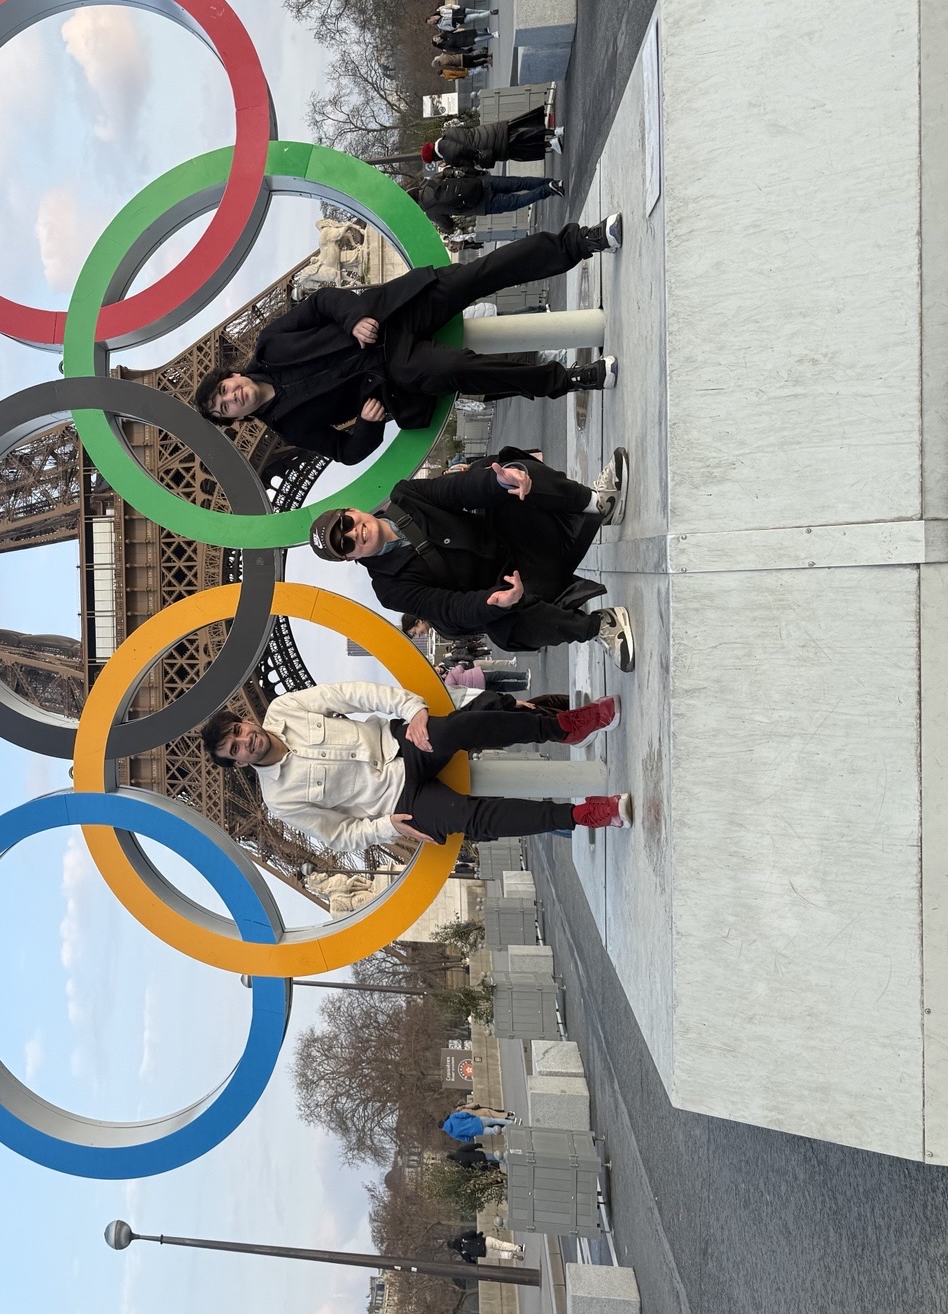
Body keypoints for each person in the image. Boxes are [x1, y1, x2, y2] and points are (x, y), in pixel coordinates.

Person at [192, 218, 623, 461]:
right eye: (226, 407)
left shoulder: (269, 343)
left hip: (389, 314)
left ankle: (581, 242)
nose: (233, 397)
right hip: (394, 371)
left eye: (226, 390)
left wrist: (355, 318)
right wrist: (365, 424)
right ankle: (569, 380)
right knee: (461, 371)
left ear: (231, 376)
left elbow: (322, 302)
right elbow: (346, 451)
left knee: (480, 274)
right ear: (236, 420)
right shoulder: (290, 427)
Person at [200, 680, 631, 853]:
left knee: (454, 730)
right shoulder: (279, 801)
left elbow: (356, 695)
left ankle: (565, 727)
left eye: (239, 730)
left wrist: (412, 708)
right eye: (235, 749)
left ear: (245, 720)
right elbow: (337, 837)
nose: (245, 741)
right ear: (236, 765)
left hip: (402, 743)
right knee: (467, 819)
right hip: (399, 801)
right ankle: (585, 814)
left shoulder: (286, 707)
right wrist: (387, 826)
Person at [307, 451, 636, 668]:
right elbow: (449, 608)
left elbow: (458, 489)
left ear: (351, 510)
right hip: (518, 591)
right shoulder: (389, 589)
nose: (353, 534)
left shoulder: (406, 496)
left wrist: (498, 481)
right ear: (350, 558)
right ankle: (598, 627)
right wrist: (495, 601)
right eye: (345, 545)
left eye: (345, 524)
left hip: (522, 540)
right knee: (500, 623)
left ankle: (597, 503)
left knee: (503, 469)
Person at [408, 167, 561, 232]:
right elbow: (456, 171)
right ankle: (550, 182)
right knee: (519, 182)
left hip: (481, 205)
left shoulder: (431, 211)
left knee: (517, 201)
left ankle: (549, 189)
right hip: (481, 182)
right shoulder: (432, 181)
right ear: (416, 190)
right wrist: (478, 173)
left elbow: (448, 226)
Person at [428, 109, 558, 169]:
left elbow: (469, 165)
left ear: (435, 157)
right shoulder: (449, 132)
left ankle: (552, 142)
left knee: (526, 144)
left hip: (494, 148)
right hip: (491, 130)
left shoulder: (450, 157)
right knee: (525, 131)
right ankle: (554, 132)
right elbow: (469, 128)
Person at [447, 1229, 527, 1264]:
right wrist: (478, 1235)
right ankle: (519, 1248)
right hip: (485, 1241)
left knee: (500, 1254)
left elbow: (470, 1261)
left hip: (485, 1253)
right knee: (502, 1245)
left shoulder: (462, 1252)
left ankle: (513, 1256)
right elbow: (472, 1233)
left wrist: (474, 1259)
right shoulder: (463, 1237)